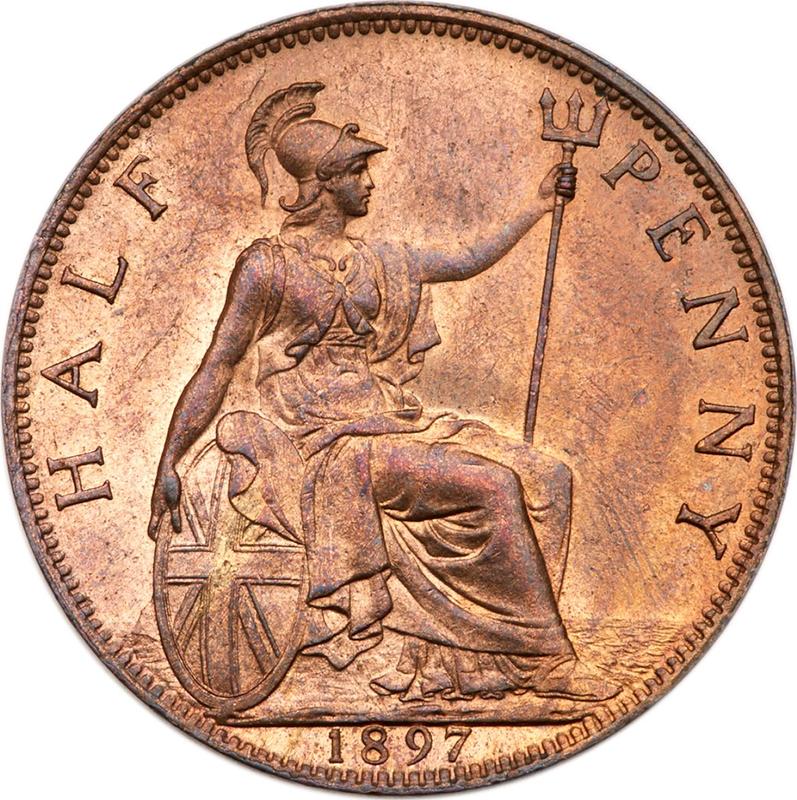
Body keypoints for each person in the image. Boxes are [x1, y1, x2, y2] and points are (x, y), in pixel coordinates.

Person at [148, 82, 618, 702]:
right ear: (322, 183)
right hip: (320, 444)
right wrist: (170, 457)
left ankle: (485, 661)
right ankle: (547, 661)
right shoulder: (267, 266)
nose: (369, 183)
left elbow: (467, 260)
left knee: (549, 477)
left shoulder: (379, 259)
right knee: (496, 485)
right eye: (357, 171)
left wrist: (539, 206)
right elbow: (218, 364)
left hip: (386, 422)